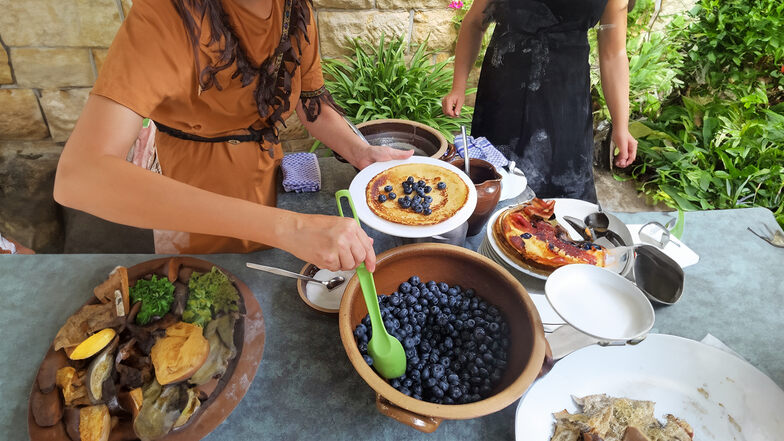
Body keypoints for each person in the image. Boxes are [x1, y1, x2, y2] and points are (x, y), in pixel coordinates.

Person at [54, 0, 413, 271]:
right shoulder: (165, 16)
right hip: (190, 206)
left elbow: (310, 102)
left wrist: (361, 153)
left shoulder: (294, 9)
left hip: (263, 185)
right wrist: (293, 228)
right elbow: (80, 176)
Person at [442, 0, 637, 202]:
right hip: (501, 101)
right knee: (491, 192)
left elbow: (614, 54)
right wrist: (458, 86)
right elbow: (475, 22)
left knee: (561, 202)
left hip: (566, 108)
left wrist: (621, 125)